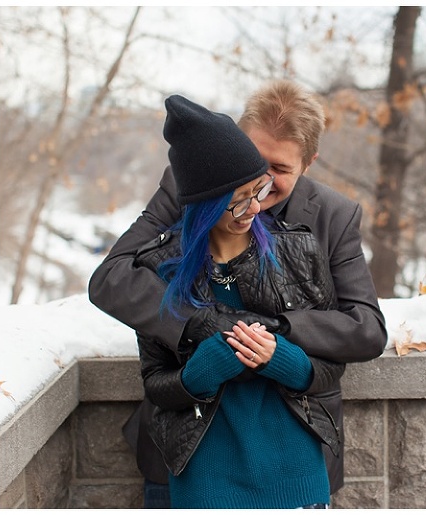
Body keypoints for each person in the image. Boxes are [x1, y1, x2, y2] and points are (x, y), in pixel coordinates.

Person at [88, 80, 387, 507]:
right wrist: (198, 323)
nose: (260, 180)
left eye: (279, 169)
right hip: (189, 449)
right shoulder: (193, 182)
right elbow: (111, 278)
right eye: (253, 158)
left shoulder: (330, 219)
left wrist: (275, 332)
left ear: (309, 163)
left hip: (292, 452)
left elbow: (367, 330)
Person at [135, 93, 343, 508]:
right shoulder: (161, 268)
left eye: (258, 189)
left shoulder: (298, 251)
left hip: (296, 474)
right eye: (238, 199)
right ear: (204, 203)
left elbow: (331, 366)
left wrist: (281, 357)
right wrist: (199, 373)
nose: (255, 207)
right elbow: (156, 384)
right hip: (204, 479)